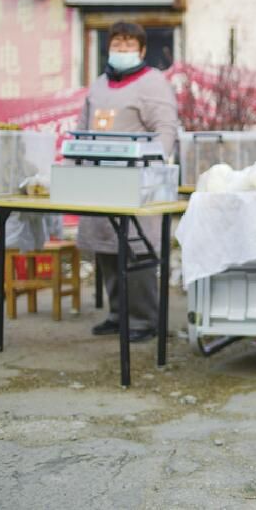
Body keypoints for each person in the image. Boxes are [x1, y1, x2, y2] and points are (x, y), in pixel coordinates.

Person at [78, 21, 178, 343]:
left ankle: (144, 320)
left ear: (142, 49)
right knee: (107, 247)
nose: (122, 50)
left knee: (137, 248)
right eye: (117, 43)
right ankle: (117, 313)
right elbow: (83, 126)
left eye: (129, 44)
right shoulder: (98, 85)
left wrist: (154, 165)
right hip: (99, 180)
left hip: (138, 180)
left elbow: (165, 129)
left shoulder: (153, 83)